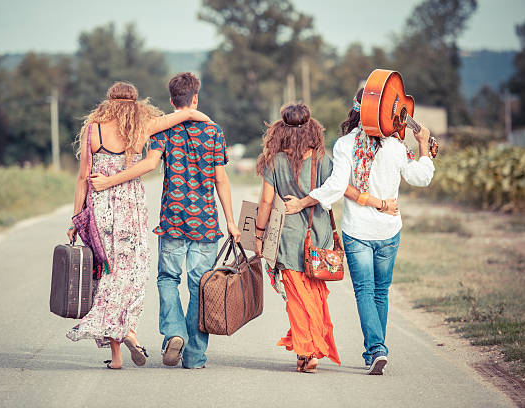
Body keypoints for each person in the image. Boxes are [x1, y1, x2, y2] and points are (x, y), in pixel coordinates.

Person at [88, 72, 241, 369]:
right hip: (206, 222)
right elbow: (221, 180)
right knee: (200, 285)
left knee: (168, 279)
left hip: (172, 218)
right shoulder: (213, 132)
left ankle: (173, 332)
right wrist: (231, 221)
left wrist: (109, 181)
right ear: (195, 98)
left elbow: (148, 164)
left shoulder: (165, 131)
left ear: (172, 101)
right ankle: (194, 357)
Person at [284, 88, 434, 375]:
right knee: (381, 292)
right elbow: (422, 177)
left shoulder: (344, 145)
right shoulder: (396, 146)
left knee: (365, 291)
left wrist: (304, 202)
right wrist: (424, 145)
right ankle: (375, 349)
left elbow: (337, 187)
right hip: (389, 230)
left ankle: (376, 349)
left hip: (358, 232)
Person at [65, 81, 211, 369]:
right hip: (130, 206)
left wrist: (75, 217)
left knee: (106, 270)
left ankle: (118, 354)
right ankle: (127, 329)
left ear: (108, 102)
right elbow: (183, 115)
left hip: (101, 205)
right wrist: (201, 117)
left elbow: (82, 177)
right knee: (130, 272)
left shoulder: (93, 129)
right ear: (135, 103)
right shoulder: (142, 125)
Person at [254, 103, 396, 373]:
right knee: (315, 296)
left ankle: (307, 352)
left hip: (286, 239)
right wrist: (379, 203)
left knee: (297, 299)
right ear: (312, 130)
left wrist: (259, 236)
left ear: (281, 130)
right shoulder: (323, 161)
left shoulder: (274, 162)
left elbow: (265, 202)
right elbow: (344, 189)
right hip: (318, 239)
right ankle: (308, 347)